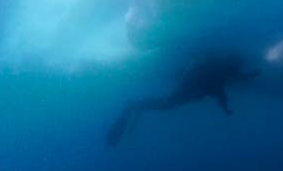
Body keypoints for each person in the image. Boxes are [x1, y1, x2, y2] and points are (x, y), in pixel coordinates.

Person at [106, 54, 259, 146]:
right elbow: (220, 90)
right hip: (187, 91)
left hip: (188, 89)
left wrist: (250, 76)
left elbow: (227, 83)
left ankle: (137, 105)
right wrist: (225, 108)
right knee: (166, 104)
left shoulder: (218, 69)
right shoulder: (219, 73)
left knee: (166, 103)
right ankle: (134, 105)